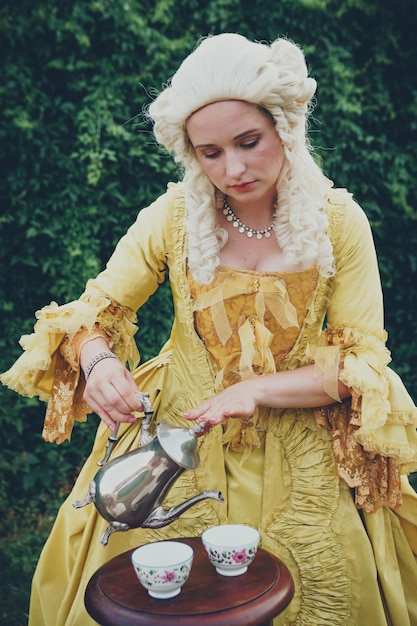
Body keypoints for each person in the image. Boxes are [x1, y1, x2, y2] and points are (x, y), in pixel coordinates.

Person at [2, 32, 417, 626]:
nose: (234, 168)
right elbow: (87, 314)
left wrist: (255, 389)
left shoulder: (340, 222)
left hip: (302, 456)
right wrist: (96, 360)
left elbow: (361, 367)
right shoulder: (171, 217)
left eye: (249, 142)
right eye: (210, 152)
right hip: (175, 442)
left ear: (284, 129)